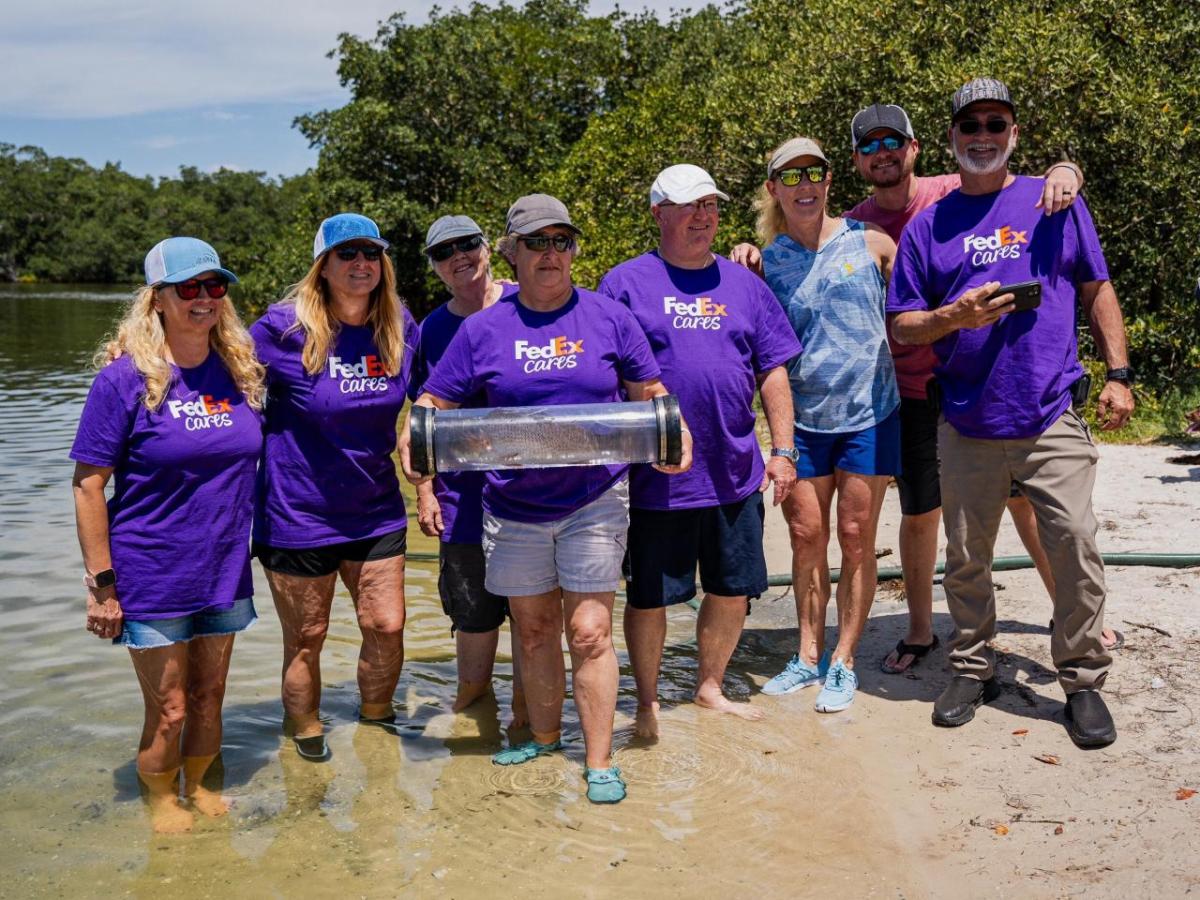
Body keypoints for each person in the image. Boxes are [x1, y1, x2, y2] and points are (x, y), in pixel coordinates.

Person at [402, 193, 691, 804]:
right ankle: (541, 734)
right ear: (511, 251)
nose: (551, 253)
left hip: (595, 497)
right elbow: (434, 402)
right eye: (537, 242)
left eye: (562, 241)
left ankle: (600, 758)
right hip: (510, 507)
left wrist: (676, 429)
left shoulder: (609, 317)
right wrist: (416, 435)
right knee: (532, 632)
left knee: (588, 630)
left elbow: (651, 391)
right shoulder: (480, 330)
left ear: (574, 251)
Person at [888, 78, 1134, 747]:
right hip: (966, 419)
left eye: (996, 125)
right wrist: (952, 317)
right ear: (951, 140)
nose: (983, 137)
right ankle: (972, 666)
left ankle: (1082, 679)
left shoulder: (1051, 200)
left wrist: (1120, 374)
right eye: (970, 127)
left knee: (1076, 547)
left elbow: (1096, 285)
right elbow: (903, 327)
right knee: (967, 560)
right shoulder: (927, 227)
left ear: (1014, 135)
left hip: (1051, 413)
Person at [842, 103, 1123, 670]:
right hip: (921, 392)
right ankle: (925, 633)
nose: (883, 154)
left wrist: (1067, 170)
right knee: (932, 520)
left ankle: (1076, 627)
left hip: (1022, 393)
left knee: (1044, 515)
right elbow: (805, 244)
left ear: (918, 147)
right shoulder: (853, 227)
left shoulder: (954, 187)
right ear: (856, 160)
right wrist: (750, 256)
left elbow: (1023, 182)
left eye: (892, 142)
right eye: (869, 147)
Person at [597, 164, 801, 738]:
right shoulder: (624, 284)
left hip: (735, 469)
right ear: (658, 213)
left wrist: (783, 450)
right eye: (688, 206)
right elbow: (601, 375)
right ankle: (647, 698)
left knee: (733, 588)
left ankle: (710, 686)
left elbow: (774, 371)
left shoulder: (746, 286)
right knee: (650, 596)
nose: (702, 216)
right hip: (657, 477)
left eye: (710, 205)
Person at [71, 237, 264, 832]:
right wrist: (102, 585)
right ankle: (160, 799)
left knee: (210, 698)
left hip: (225, 571)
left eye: (215, 286)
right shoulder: (124, 381)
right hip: (152, 573)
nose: (205, 299)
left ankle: (202, 785)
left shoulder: (241, 372)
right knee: (171, 709)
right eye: (189, 288)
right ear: (157, 299)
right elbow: (87, 486)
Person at [251, 213, 419, 762]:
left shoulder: (398, 325)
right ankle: (305, 731)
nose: (361, 264)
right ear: (322, 267)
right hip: (298, 514)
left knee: (387, 625)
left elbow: (444, 390)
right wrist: (136, 357)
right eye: (347, 254)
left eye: (371, 254)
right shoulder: (280, 330)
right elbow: (209, 366)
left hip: (375, 509)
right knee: (308, 637)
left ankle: (376, 723)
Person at [753, 137, 900, 713]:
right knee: (805, 536)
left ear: (830, 180)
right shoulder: (766, 261)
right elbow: (758, 349)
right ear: (773, 190)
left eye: (814, 173)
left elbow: (923, 304)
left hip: (871, 414)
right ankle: (806, 656)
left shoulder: (873, 244)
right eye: (791, 178)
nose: (804, 185)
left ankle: (844, 662)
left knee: (858, 537)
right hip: (804, 423)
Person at [410, 214, 525, 721]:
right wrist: (425, 493)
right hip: (461, 500)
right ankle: (472, 716)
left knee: (534, 619)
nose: (459, 257)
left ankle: (530, 715)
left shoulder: (531, 300)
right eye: (443, 252)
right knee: (473, 616)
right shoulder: (431, 328)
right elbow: (422, 420)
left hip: (532, 495)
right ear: (435, 267)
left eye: (468, 244)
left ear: (488, 247)